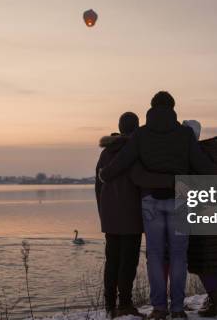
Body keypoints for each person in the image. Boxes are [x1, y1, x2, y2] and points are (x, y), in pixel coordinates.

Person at [99, 91, 217, 320]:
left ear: (152, 107)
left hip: (151, 202)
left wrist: (105, 174)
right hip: (180, 199)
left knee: (154, 255)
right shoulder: (185, 134)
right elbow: (201, 164)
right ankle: (177, 309)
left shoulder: (142, 134)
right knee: (178, 256)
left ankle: (158, 309)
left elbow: (123, 160)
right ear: (173, 107)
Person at [95, 112, 144, 318]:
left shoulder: (105, 153)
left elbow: (98, 187)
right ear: (137, 128)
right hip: (132, 217)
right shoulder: (136, 151)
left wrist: (103, 213)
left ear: (119, 127)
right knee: (128, 262)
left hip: (110, 217)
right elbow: (142, 183)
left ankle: (109, 306)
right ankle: (124, 303)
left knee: (112, 261)